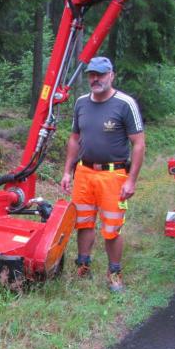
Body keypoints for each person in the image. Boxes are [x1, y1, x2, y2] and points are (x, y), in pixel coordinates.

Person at [59, 57, 145, 292]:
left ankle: (114, 273)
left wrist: (131, 180)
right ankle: (83, 265)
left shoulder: (125, 104)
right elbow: (75, 138)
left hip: (113, 175)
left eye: (101, 74)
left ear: (111, 76)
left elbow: (138, 143)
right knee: (83, 222)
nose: (95, 79)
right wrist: (67, 171)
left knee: (112, 227)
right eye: (91, 74)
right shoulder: (81, 103)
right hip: (84, 172)